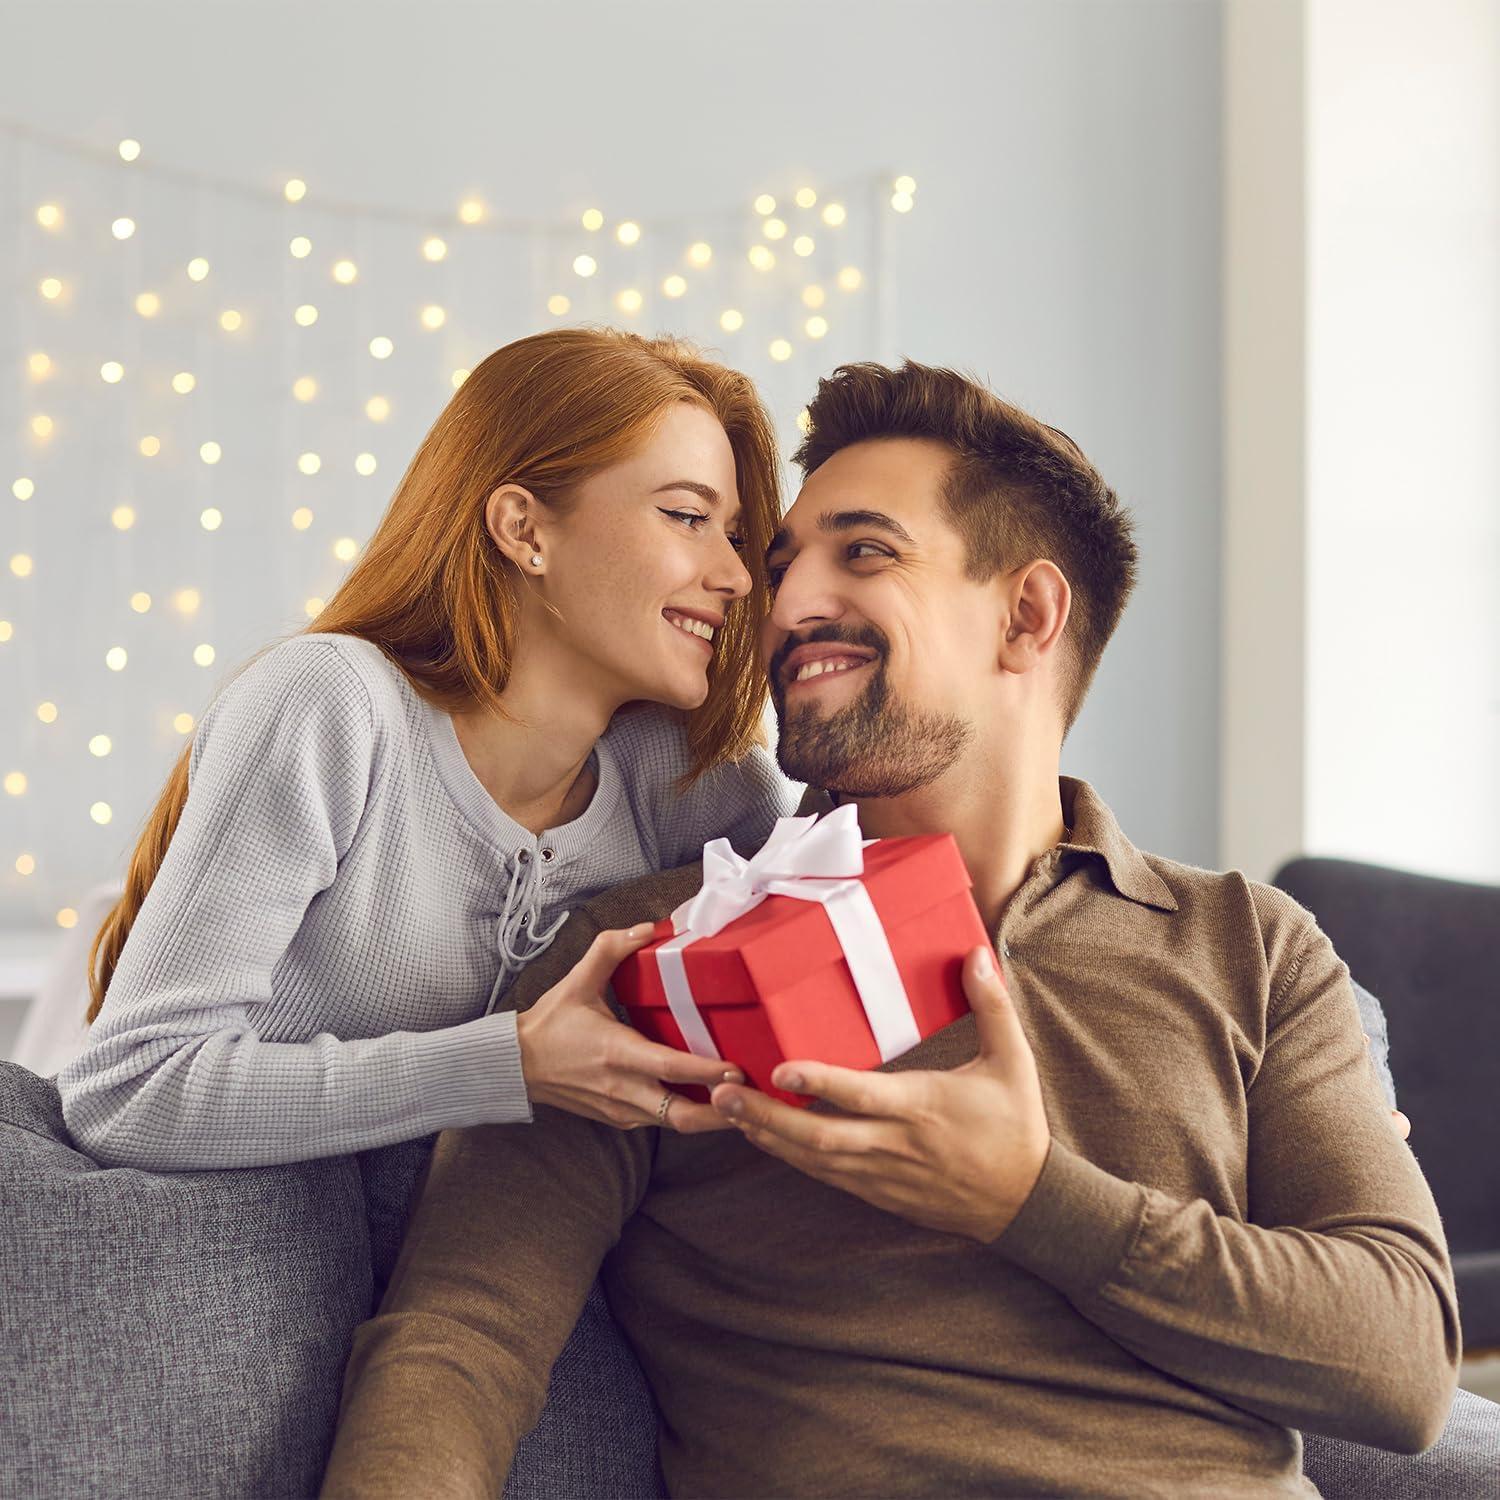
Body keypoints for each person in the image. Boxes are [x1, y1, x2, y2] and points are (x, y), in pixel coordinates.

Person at [319, 359, 1458, 1498]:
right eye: (781, 567)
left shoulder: (1251, 946)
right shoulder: (645, 955)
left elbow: (1404, 1365)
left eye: (863, 553)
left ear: (1027, 616)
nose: (783, 606)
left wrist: (1030, 1197)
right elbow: (459, 1343)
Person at [57, 328, 798, 1172]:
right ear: (524, 529)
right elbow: (129, 1091)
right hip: (246, 1235)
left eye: (733, 534)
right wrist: (510, 1063)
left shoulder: (686, 780)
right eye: (688, 517)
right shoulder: (334, 705)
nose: (736, 577)